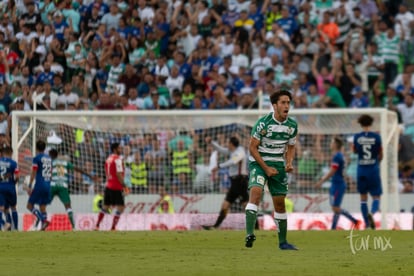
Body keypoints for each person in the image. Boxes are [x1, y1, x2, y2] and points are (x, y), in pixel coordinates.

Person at [245, 89, 298, 250]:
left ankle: (283, 242)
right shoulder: (263, 123)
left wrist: (288, 163)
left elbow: (291, 146)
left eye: (288, 102)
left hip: (277, 166)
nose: (286, 105)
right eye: (283, 102)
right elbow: (252, 148)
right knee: (255, 193)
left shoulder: (292, 125)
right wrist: (266, 168)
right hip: (259, 164)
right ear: (275, 105)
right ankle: (249, 234)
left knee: (280, 205)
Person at [202, 136, 248, 230]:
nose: (227, 145)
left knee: (246, 205)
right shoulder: (232, 151)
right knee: (226, 205)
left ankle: (256, 227)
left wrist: (219, 166)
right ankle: (215, 226)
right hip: (235, 182)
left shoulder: (240, 152)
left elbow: (233, 161)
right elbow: (221, 149)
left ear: (231, 144)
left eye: (228, 143)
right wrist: (211, 142)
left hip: (240, 181)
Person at [315, 137, 360, 230]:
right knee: (335, 207)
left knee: (336, 208)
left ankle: (354, 221)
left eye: (332, 142)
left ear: (335, 145)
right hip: (336, 183)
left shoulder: (337, 156)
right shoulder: (339, 155)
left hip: (338, 184)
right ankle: (333, 227)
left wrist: (321, 181)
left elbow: (332, 171)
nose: (330, 144)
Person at [49, 148, 95, 230]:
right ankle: (74, 226)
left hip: (53, 185)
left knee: (44, 204)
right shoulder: (65, 162)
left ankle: (40, 222)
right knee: (68, 206)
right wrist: (89, 175)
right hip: (63, 185)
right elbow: (77, 169)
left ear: (51, 156)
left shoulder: (51, 162)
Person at [353, 114, 382, 229]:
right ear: (371, 123)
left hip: (361, 169)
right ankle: (373, 213)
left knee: (363, 198)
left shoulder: (356, 137)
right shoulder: (377, 137)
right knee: (376, 196)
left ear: (360, 124)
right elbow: (381, 153)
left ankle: (367, 223)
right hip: (373, 169)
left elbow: (355, 151)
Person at [95, 143, 129, 231]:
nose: (120, 150)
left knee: (105, 207)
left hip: (108, 185)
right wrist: (125, 186)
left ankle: (97, 225)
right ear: (114, 149)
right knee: (121, 207)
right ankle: (113, 227)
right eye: (119, 148)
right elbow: (118, 174)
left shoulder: (108, 159)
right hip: (116, 186)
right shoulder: (118, 159)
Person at [26, 140, 52, 231]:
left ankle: (43, 220)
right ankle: (43, 228)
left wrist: (29, 185)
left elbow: (33, 172)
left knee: (29, 206)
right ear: (44, 148)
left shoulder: (37, 158)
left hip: (40, 184)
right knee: (42, 207)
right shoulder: (49, 158)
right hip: (48, 185)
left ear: (36, 148)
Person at [0, 146, 19, 231]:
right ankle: (15, 228)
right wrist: (14, 183)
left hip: (1, 187)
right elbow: (17, 176)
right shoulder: (14, 163)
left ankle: (5, 224)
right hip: (11, 187)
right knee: (13, 207)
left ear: (2, 153)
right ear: (11, 153)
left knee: (2, 208)